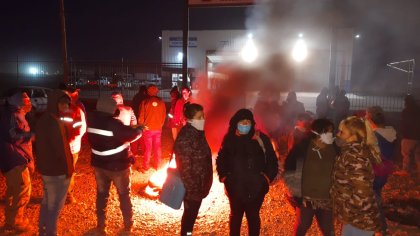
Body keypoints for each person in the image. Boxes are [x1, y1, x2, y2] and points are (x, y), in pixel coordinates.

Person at [216, 109, 278, 236]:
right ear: (236, 123)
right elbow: (221, 159)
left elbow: (272, 159)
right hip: (235, 187)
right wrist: (224, 177)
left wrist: (266, 178)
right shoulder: (229, 139)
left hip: (256, 187)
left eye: (248, 122)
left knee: (253, 217)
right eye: (242, 122)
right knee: (235, 217)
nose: (245, 125)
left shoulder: (260, 138)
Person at [87, 96, 142, 234]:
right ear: (111, 109)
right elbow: (131, 134)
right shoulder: (113, 123)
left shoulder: (92, 120)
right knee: (124, 195)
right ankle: (128, 226)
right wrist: (140, 130)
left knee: (101, 194)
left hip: (99, 165)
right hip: (117, 166)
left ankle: (101, 226)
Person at [284, 119, 337, 236]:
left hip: (326, 198)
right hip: (306, 199)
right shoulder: (302, 148)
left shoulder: (334, 149)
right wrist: (296, 194)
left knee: (328, 229)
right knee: (301, 227)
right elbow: (290, 170)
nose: (332, 134)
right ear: (318, 132)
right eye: (329, 132)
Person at [35, 89, 75, 236]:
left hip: (46, 169)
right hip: (57, 171)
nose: (67, 106)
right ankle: (51, 232)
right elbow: (62, 150)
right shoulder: (55, 123)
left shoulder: (44, 119)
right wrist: (68, 170)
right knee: (55, 206)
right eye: (64, 103)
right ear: (56, 104)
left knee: (47, 202)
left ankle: (43, 230)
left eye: (68, 103)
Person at [331, 116, 380, 236]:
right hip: (354, 218)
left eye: (342, 132)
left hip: (360, 219)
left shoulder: (355, 156)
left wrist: (346, 214)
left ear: (353, 136)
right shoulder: (349, 152)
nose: (338, 134)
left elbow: (362, 193)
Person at [173, 103, 213, 236]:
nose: (203, 119)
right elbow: (184, 168)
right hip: (193, 189)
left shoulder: (198, 133)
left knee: (191, 216)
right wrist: (193, 190)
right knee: (189, 219)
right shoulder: (186, 138)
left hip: (199, 186)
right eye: (199, 117)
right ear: (190, 119)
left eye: (203, 116)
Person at [0, 91, 34, 233]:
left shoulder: (10, 112)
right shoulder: (13, 115)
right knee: (21, 190)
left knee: (14, 190)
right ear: (20, 103)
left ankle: (10, 219)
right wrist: (30, 135)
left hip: (11, 157)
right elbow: (12, 135)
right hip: (15, 159)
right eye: (27, 101)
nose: (29, 104)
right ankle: (15, 222)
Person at [365, 106, 396, 235]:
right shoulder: (389, 133)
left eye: (367, 115)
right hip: (383, 172)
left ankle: (379, 230)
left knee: (373, 203)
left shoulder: (375, 137)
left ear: (370, 119)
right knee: (376, 199)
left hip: (374, 173)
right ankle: (381, 229)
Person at [65, 88, 87, 204]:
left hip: (71, 148)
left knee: (69, 172)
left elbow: (80, 130)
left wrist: (68, 143)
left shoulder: (77, 110)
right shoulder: (57, 110)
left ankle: (68, 195)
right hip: (60, 148)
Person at [138, 85, 166, 170]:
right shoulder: (161, 102)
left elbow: (141, 117)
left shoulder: (145, 102)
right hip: (158, 128)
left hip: (147, 129)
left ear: (148, 92)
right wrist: (160, 125)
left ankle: (146, 166)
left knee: (148, 148)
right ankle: (158, 165)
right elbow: (164, 116)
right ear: (156, 91)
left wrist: (141, 126)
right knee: (157, 147)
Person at [400, 95, 420, 175]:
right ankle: (419, 170)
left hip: (408, 136)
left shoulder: (406, 111)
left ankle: (405, 170)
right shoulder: (418, 109)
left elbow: (404, 123)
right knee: (418, 154)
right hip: (418, 136)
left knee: (406, 154)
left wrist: (402, 132)